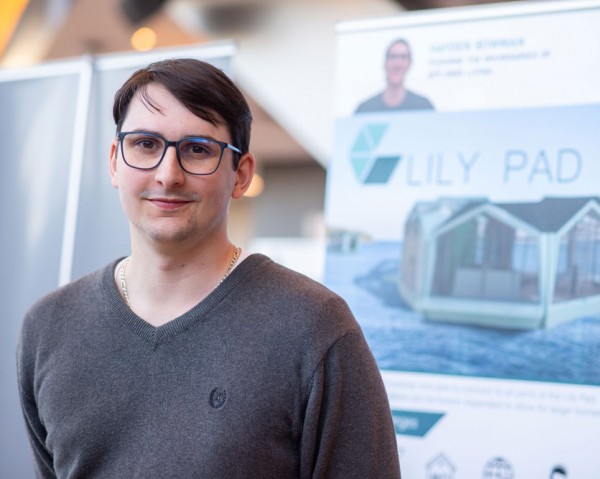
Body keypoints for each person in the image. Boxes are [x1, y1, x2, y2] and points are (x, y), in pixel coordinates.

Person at [16, 58, 401, 478]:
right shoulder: (49, 327)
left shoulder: (312, 327)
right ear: (114, 161)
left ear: (241, 175)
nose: (167, 175)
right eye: (145, 144)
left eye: (198, 150)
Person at [355, 38, 434, 114]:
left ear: (409, 64)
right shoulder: (365, 110)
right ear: (385, 63)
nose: (397, 64)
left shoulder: (423, 107)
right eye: (393, 57)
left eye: (403, 57)